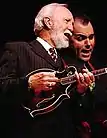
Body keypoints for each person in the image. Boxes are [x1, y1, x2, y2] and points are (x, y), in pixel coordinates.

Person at [0, 3, 94, 138]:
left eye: (72, 24)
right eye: (67, 21)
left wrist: (80, 91)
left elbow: (75, 112)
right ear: (48, 22)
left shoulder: (67, 62)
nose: (71, 28)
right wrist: (28, 83)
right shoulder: (18, 49)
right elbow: (2, 87)